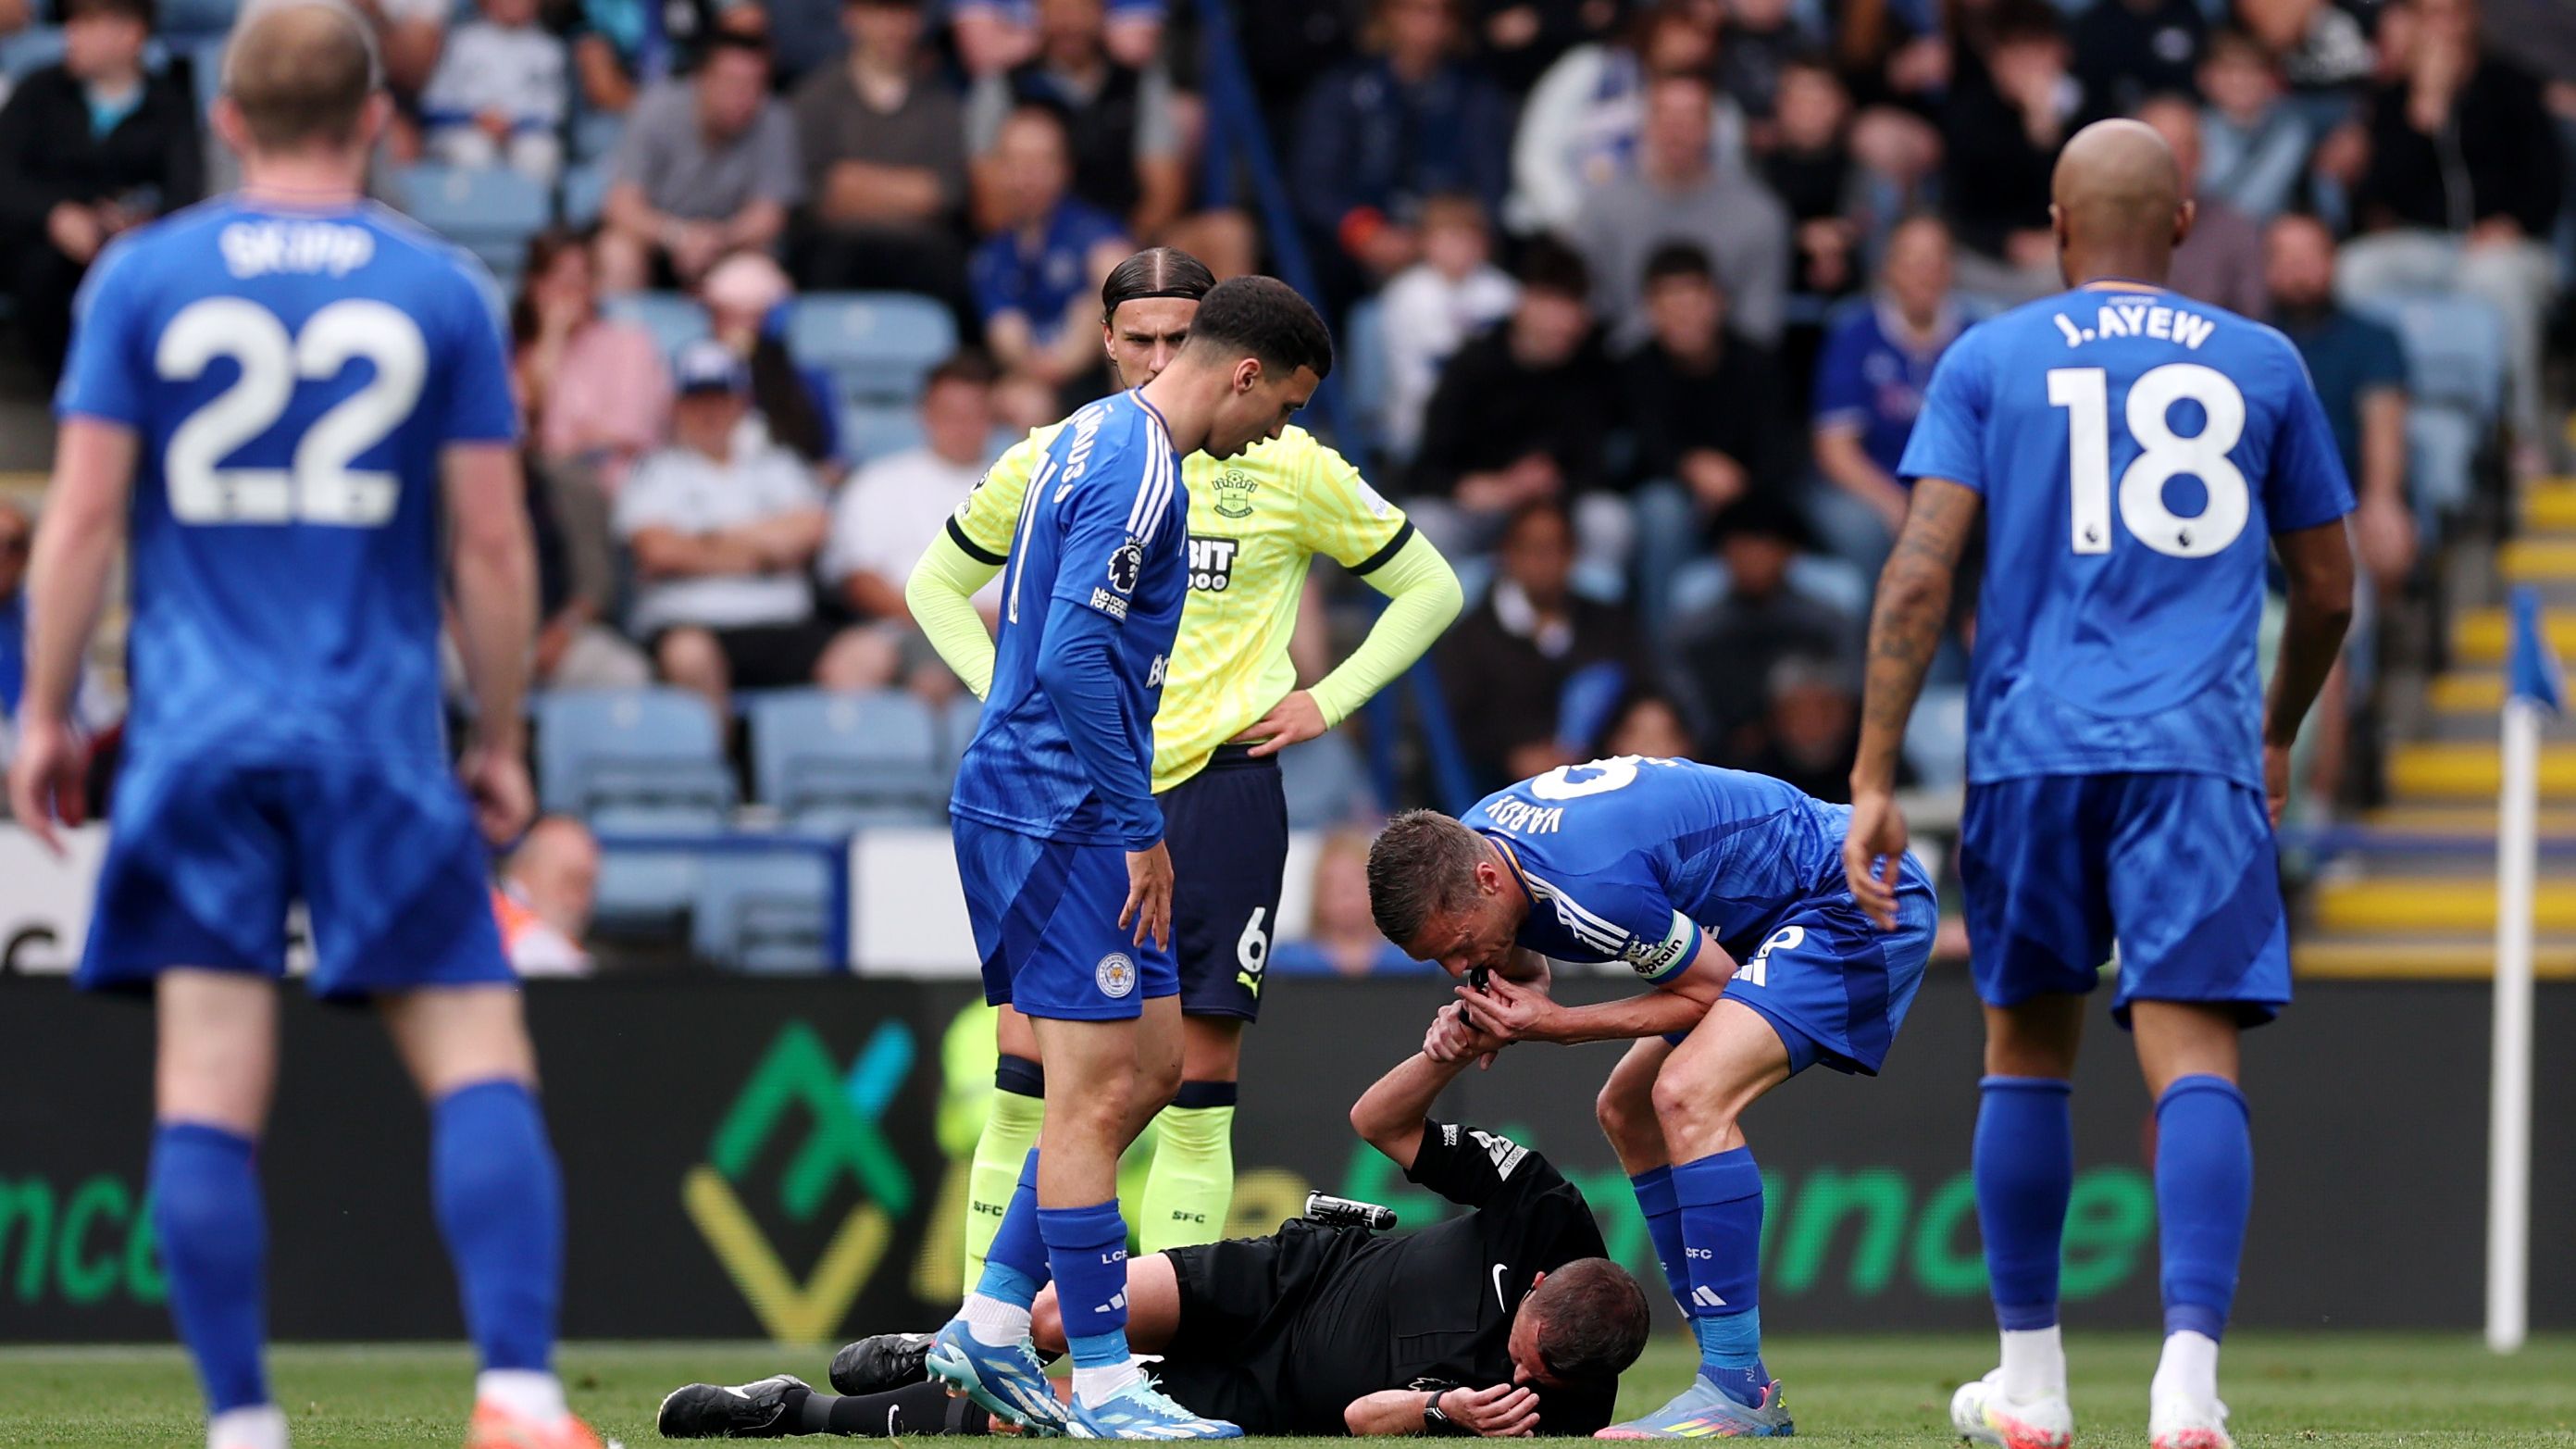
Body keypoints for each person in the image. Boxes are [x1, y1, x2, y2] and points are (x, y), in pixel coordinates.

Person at [5, 7, 604, 1449]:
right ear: (379, 118)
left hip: (195, 734)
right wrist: (504, 729)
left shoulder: (143, 277)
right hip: (375, 734)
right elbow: (492, 547)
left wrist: (41, 710)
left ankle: (243, 1425)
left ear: (224, 117)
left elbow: (80, 514)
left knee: (207, 1072)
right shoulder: (441, 289)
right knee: (473, 1049)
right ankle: (516, 1396)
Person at [1842, 119, 2356, 1449]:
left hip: (2028, 750)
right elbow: (2330, 588)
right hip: (2192, 752)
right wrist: (2278, 729)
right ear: (2181, 220)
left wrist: (1873, 768)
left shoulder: (1988, 356)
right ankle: (2184, 1391)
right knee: (2191, 1056)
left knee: (2023, 1051)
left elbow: (1915, 571)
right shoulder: (2262, 361)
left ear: (2059, 230)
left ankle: (2031, 1385)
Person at [908, 249, 1461, 1330]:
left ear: (1224, 350)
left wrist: (1325, 699)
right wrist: (1008, 701)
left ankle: (1161, 1344)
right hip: (1082, 796)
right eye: (1140, 338)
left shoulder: (1287, 464)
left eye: (1179, 335)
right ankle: (989, 1334)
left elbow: (1429, 586)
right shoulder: (1074, 455)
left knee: (1187, 1079)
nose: (1160, 355)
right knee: (1037, 1069)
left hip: (1215, 787)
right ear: (1108, 342)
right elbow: (939, 588)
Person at [926, 274, 1335, 1441]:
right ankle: (1103, 1381)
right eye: (1285, 406)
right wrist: (1137, 823)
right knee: (1091, 1091)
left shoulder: (1089, 433)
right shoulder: (1140, 471)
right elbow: (1061, 657)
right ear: (1246, 373)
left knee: (1151, 1066)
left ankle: (990, 1324)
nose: (1278, 432)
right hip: (1057, 814)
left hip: (1049, 801)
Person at [655, 1041, 1651, 1439]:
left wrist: (1441, 1409)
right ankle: (936, 1345)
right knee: (1056, 1312)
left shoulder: (1557, 1407)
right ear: (1537, 1282)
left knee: (1036, 1421)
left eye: (1529, 1372)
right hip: (1289, 1277)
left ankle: (789, 1411)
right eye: (1519, 1336)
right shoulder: (1544, 1206)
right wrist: (1442, 1053)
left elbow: (1358, 1416)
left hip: (1269, 1393)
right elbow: (1378, 1123)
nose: (1514, 1366)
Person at [1364, 754, 1939, 1438]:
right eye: (1441, 962)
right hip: (1774, 916)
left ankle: (1732, 1386)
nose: (1460, 968)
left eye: (1460, 946)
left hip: (1853, 897)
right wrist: (1499, 997)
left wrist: (1559, 1026)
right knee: (1625, 1108)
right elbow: (1528, 951)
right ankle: (1731, 1369)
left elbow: (1705, 990)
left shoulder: (1591, 883)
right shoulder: (1483, 846)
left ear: (1486, 878)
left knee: (1687, 1093)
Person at [2338, 0, 2560, 472]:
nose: (2444, 28)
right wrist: (2424, 111)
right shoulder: (2393, 97)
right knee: (2357, 270)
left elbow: (2548, 182)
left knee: (2494, 280)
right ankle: (2372, 420)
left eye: (2452, 14)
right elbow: (2377, 195)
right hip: (2421, 243)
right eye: (2431, 15)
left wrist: (2513, 222)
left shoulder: (2512, 84)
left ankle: (2519, 431)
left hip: (2506, 244)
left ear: (2472, 19)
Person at [615, 339, 883, 717]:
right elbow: (658, 551)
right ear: (677, 407)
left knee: (867, 652)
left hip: (784, 624)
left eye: (721, 399)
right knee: (689, 655)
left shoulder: (778, 464)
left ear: (741, 404)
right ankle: (711, 770)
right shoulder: (655, 471)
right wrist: (768, 555)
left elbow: (812, 529)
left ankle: (818, 765)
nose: (711, 412)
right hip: (692, 622)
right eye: (698, 400)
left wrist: (709, 540)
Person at [0, 0, 203, 381]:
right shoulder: (38, 90)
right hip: (40, 241)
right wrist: (55, 215)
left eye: (89, 25)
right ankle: (71, 387)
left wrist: (139, 225)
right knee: (38, 271)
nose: (71, 35)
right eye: (73, 23)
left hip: (126, 244)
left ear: (130, 35)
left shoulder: (170, 106)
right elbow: (5, 177)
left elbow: (184, 194)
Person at [1288, 0, 1513, 298]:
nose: (1431, 26)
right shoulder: (1343, 89)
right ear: (1387, 14)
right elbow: (1314, 184)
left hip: (1451, 251)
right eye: (1419, 11)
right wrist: (1365, 232)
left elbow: (1491, 187)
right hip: (1355, 254)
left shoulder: (1477, 96)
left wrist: (1441, 238)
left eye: (1444, 14)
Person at [1566, 70, 1792, 348]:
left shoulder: (1759, 214)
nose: (1677, 128)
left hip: (1725, 373)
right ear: (1646, 123)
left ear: (1711, 125)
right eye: (1666, 115)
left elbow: (1759, 326)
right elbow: (1582, 309)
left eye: (1690, 117)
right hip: (1622, 373)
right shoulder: (1601, 208)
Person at [823, 351, 1003, 693]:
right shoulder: (877, 482)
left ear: (991, 418)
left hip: (1010, 633)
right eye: (950, 414)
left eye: (974, 414)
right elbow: (860, 580)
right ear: (925, 414)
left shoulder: (1029, 484)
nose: (963, 426)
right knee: (853, 665)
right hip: (907, 628)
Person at [1436, 501, 1643, 792]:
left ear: (1573, 555)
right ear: (1507, 554)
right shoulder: (1470, 638)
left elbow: (1641, 686)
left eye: (1556, 548)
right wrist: (1511, 754)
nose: (1545, 561)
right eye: (1532, 548)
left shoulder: (1609, 623)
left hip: (1602, 782)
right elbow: (1456, 723)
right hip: (1501, 791)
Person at [789, 0, 971, 311]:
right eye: (880, 13)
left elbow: (946, 193)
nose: (893, 27)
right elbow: (819, 193)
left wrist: (856, 184)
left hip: (924, 264)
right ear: (851, 18)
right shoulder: (815, 98)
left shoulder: (942, 104)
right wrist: (910, 190)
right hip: (833, 261)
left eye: (904, 14)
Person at [1809, 213, 1963, 580]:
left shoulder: (1977, 335)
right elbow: (1836, 449)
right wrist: (1894, 503)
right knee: (1861, 529)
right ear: (1887, 269)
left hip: (1957, 491)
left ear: (1950, 269)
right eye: (1912, 261)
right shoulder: (1854, 332)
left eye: (1934, 261)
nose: (1924, 273)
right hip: (1875, 488)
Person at [598, 31, 802, 292]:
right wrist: (677, 236)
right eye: (732, 82)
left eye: (755, 85)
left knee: (758, 271)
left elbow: (769, 215)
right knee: (616, 253)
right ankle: (621, 332)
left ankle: (743, 334)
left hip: (729, 244)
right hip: (657, 240)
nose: (744, 96)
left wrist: (719, 239)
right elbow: (621, 204)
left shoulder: (775, 119)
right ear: (702, 80)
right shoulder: (655, 109)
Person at [971, 105, 1132, 393]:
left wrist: (1079, 337)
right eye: (1016, 162)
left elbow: (1129, 290)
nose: (1027, 176)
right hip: (1037, 380)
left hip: (1097, 377)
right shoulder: (993, 255)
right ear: (998, 170)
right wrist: (1039, 365)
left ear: (1065, 168)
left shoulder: (1090, 229)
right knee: (1017, 398)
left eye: (1040, 162)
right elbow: (1005, 334)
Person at [513, 228, 673, 493]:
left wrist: (566, 445)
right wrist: (553, 337)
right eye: (558, 280)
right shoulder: (523, 355)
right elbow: (522, 424)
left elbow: (630, 428)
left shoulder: (630, 343)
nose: (569, 292)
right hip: (547, 492)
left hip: (617, 486)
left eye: (579, 280)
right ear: (535, 287)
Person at [1375, 192, 1517, 461]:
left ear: (1484, 243)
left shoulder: (1505, 293)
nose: (1459, 248)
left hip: (1496, 421)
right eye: (1448, 238)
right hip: (1422, 421)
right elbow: (1412, 378)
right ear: (1425, 243)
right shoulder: (1405, 294)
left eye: (1468, 238)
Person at [2134, 94, 2266, 319]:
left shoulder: (2237, 232)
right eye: (2159, 145)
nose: (2172, 159)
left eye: (2183, 147)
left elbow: (2251, 325)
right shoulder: (2106, 229)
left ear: (2200, 156)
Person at [419, 0, 570, 181]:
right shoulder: (462, 41)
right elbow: (434, 104)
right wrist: (474, 118)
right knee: (471, 151)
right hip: (466, 130)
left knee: (539, 153)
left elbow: (555, 114)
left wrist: (513, 124)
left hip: (525, 134)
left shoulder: (549, 49)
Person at [1267, 830, 1426, 978]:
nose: (1346, 892)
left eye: (1356, 880)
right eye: (1334, 883)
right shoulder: (1288, 964)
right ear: (1318, 893)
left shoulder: (1414, 962)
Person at [492, 816, 600, 976]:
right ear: (526, 870)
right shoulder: (541, 951)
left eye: (588, 886)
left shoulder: (482, 908)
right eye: (572, 881)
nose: (579, 902)